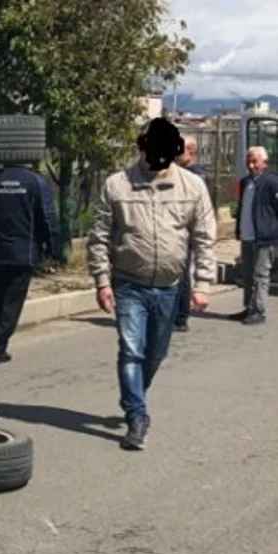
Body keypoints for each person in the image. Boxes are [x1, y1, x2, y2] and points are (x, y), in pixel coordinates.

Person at [87, 117, 216, 451]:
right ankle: (137, 417)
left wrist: (203, 283)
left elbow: (205, 238)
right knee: (132, 350)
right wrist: (102, 281)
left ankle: (134, 394)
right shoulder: (117, 185)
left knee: (155, 353)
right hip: (129, 283)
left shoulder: (192, 187)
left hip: (170, 286)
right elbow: (99, 237)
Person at [0, 161, 60, 363]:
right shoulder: (35, 181)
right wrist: (54, 250)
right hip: (22, 254)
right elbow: (48, 218)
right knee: (10, 304)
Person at [230, 146, 278, 325]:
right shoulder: (245, 182)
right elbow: (243, 209)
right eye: (248, 161)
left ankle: (259, 310)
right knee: (248, 274)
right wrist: (239, 231)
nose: (250, 165)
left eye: (254, 161)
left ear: (264, 162)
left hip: (264, 238)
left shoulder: (272, 182)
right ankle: (249, 308)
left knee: (260, 275)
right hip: (247, 236)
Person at [172, 134, 213, 332]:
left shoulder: (196, 176)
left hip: (187, 231)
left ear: (190, 152)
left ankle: (180, 316)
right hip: (173, 231)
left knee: (182, 274)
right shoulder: (174, 173)